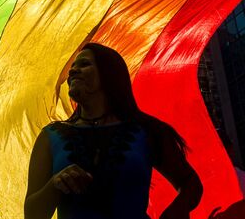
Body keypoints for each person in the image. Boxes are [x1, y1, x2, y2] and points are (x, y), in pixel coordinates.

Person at [25, 43, 203, 219]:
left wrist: (174, 212)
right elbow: (32, 215)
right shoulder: (50, 136)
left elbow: (191, 185)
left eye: (84, 64)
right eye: (72, 68)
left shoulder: (148, 131)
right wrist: (55, 184)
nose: (72, 71)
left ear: (109, 74)